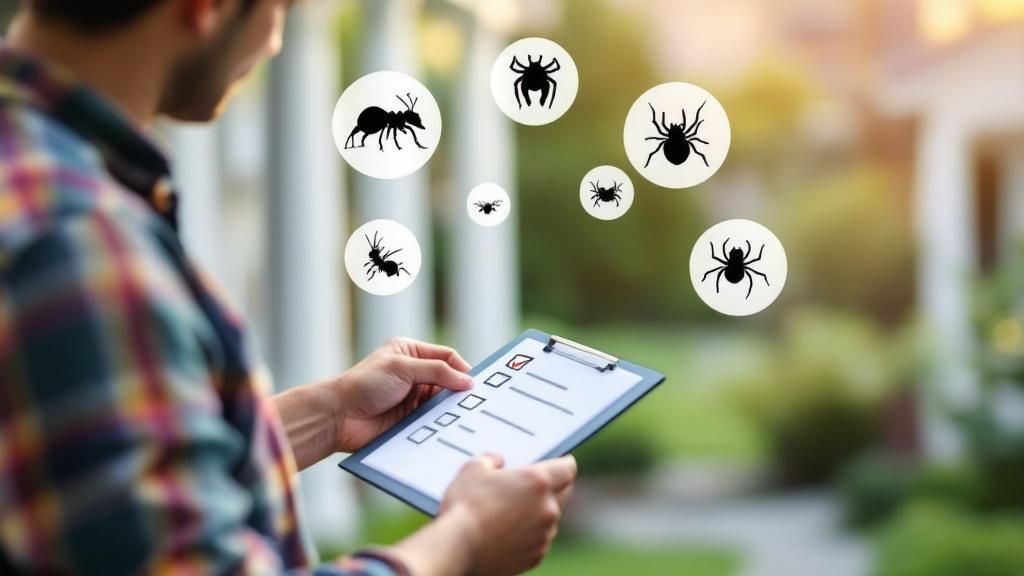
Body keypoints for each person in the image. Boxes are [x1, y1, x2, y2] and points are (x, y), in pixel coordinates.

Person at [0, 0, 577, 574]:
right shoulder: (79, 241)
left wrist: (328, 415)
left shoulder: (36, 178)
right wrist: (466, 541)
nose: (277, 39)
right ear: (207, 7)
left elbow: (92, 469)